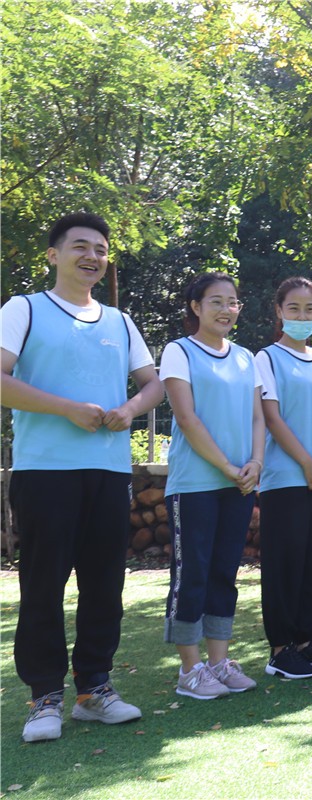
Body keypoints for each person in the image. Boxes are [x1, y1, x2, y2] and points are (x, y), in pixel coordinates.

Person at [1, 212, 163, 742]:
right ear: (54, 255)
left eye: (100, 249)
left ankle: (94, 690)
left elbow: (153, 384)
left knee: (105, 585)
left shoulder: (119, 321)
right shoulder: (24, 309)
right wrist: (67, 408)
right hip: (44, 471)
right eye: (80, 247)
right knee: (43, 585)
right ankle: (44, 697)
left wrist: (130, 408)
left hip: (108, 471)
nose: (92, 256)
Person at [160, 272, 264, 699]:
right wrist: (226, 465)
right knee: (192, 574)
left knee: (224, 572)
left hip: (239, 483)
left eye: (232, 302)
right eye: (216, 301)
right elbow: (186, 418)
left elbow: (257, 417)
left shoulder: (245, 357)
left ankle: (219, 663)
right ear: (196, 307)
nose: (226, 309)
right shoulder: (179, 351)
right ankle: (190, 670)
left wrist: (255, 462)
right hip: (195, 483)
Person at [255, 277, 312, 677]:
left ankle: (306, 641)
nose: (302, 315)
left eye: (310, 309)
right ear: (279, 311)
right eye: (294, 308)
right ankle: (281, 649)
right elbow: (272, 418)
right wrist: (307, 464)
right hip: (285, 478)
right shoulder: (267, 359)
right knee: (284, 563)